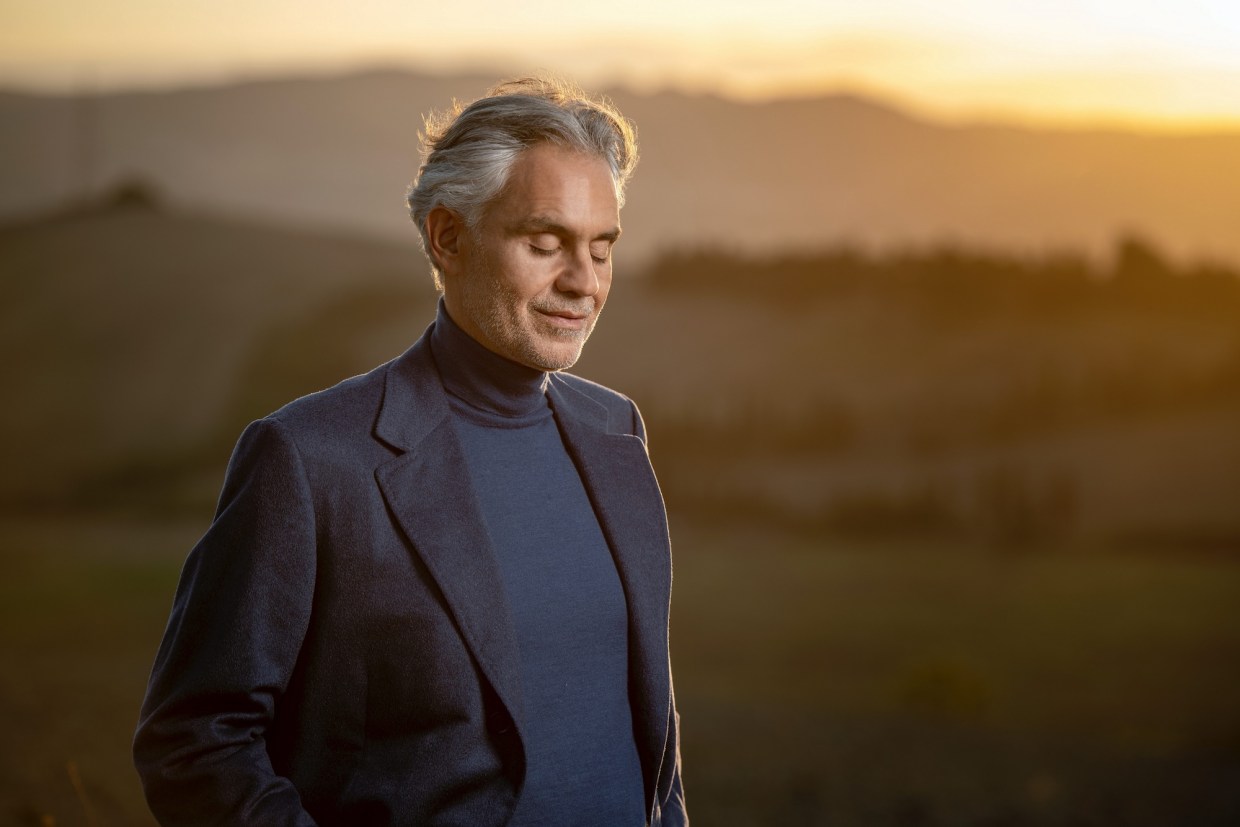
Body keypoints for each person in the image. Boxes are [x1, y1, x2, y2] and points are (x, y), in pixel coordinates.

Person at [133, 78, 687, 826]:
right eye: (545, 242)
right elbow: (193, 741)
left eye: (601, 247)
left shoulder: (617, 430)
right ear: (448, 237)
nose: (583, 282)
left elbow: (655, 750)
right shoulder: (311, 459)